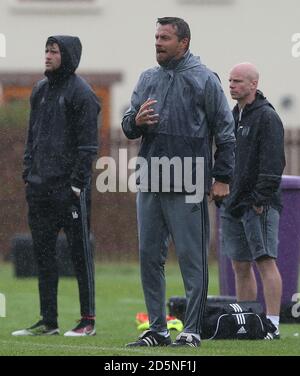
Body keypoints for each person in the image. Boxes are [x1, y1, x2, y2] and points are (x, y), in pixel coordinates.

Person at [122, 17, 235, 347]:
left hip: (188, 184)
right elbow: (129, 125)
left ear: (183, 43)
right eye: (156, 36)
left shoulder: (204, 80)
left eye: (165, 38)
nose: (157, 42)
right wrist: (136, 121)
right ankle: (157, 330)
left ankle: (191, 330)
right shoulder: (147, 78)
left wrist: (222, 178)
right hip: (150, 182)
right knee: (148, 256)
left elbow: (225, 134)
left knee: (192, 258)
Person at [12, 35, 100, 337]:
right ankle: (48, 321)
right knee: (44, 256)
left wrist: (76, 186)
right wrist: (28, 173)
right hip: (39, 190)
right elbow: (31, 137)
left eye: (55, 51)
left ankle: (87, 320)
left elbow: (88, 147)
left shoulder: (83, 94)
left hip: (69, 193)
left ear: (69, 55)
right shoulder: (39, 90)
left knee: (79, 257)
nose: (48, 56)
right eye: (46, 50)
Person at [221, 62, 285, 339]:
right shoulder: (234, 116)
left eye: (237, 81)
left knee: (265, 261)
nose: (232, 85)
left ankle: (272, 324)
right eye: (230, 81)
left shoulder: (267, 117)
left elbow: (274, 162)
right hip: (233, 203)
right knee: (239, 264)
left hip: (259, 204)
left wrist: (260, 197)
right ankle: (246, 321)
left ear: (253, 85)